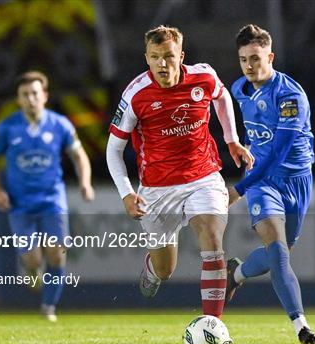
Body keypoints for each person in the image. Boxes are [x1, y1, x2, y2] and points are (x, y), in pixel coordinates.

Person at [106, 25, 253, 319]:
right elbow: (113, 150)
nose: (163, 63)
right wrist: (126, 194)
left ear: (181, 55)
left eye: (169, 56)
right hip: (157, 188)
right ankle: (153, 267)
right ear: (146, 58)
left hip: (204, 176)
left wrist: (231, 139)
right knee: (165, 269)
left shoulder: (203, 76)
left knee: (212, 241)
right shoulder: (136, 94)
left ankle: (213, 325)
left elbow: (222, 97)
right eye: (155, 57)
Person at [225, 24, 315, 344]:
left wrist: (237, 189)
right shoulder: (239, 88)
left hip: (296, 181)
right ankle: (301, 325)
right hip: (263, 183)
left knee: (280, 253)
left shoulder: (290, 96)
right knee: (278, 253)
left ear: (271, 56)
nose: (249, 66)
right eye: (243, 60)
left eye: (255, 58)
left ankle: (235, 273)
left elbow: (279, 151)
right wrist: (239, 146)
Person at [0, 71, 95, 321]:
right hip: (19, 202)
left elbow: (79, 156)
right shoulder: (7, 127)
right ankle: (31, 267)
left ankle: (49, 307)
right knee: (34, 260)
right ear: (18, 99)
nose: (31, 98)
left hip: (52, 199)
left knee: (58, 253)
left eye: (35, 93)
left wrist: (85, 182)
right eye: (25, 95)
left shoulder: (60, 125)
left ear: (44, 96)